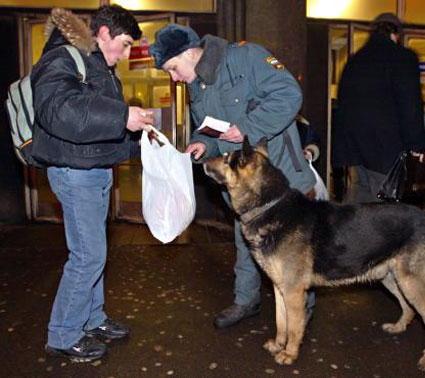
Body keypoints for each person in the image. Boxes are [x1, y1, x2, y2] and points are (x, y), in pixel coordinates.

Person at [149, 24, 316, 329]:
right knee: (246, 239)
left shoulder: (245, 58)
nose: (173, 78)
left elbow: (289, 94)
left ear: (189, 53)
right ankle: (245, 301)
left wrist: (248, 127)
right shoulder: (196, 83)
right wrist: (203, 142)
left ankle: (301, 309)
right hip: (242, 185)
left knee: (293, 246)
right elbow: (211, 127)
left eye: (173, 68)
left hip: (280, 176)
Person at [31, 6, 154, 361]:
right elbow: (58, 110)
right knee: (88, 255)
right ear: (104, 34)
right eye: (125, 44)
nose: (127, 54)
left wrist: (137, 135)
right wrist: (122, 115)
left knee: (94, 252)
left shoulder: (95, 62)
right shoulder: (62, 57)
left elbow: (96, 127)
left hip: (92, 169)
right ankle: (63, 333)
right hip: (74, 173)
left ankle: (91, 319)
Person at [332, 13, 425, 204]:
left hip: (355, 148)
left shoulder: (355, 60)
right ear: (397, 34)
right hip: (385, 147)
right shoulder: (403, 58)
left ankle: (347, 233)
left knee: (359, 196)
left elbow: (343, 103)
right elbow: (410, 105)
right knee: (385, 205)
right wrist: (416, 144)